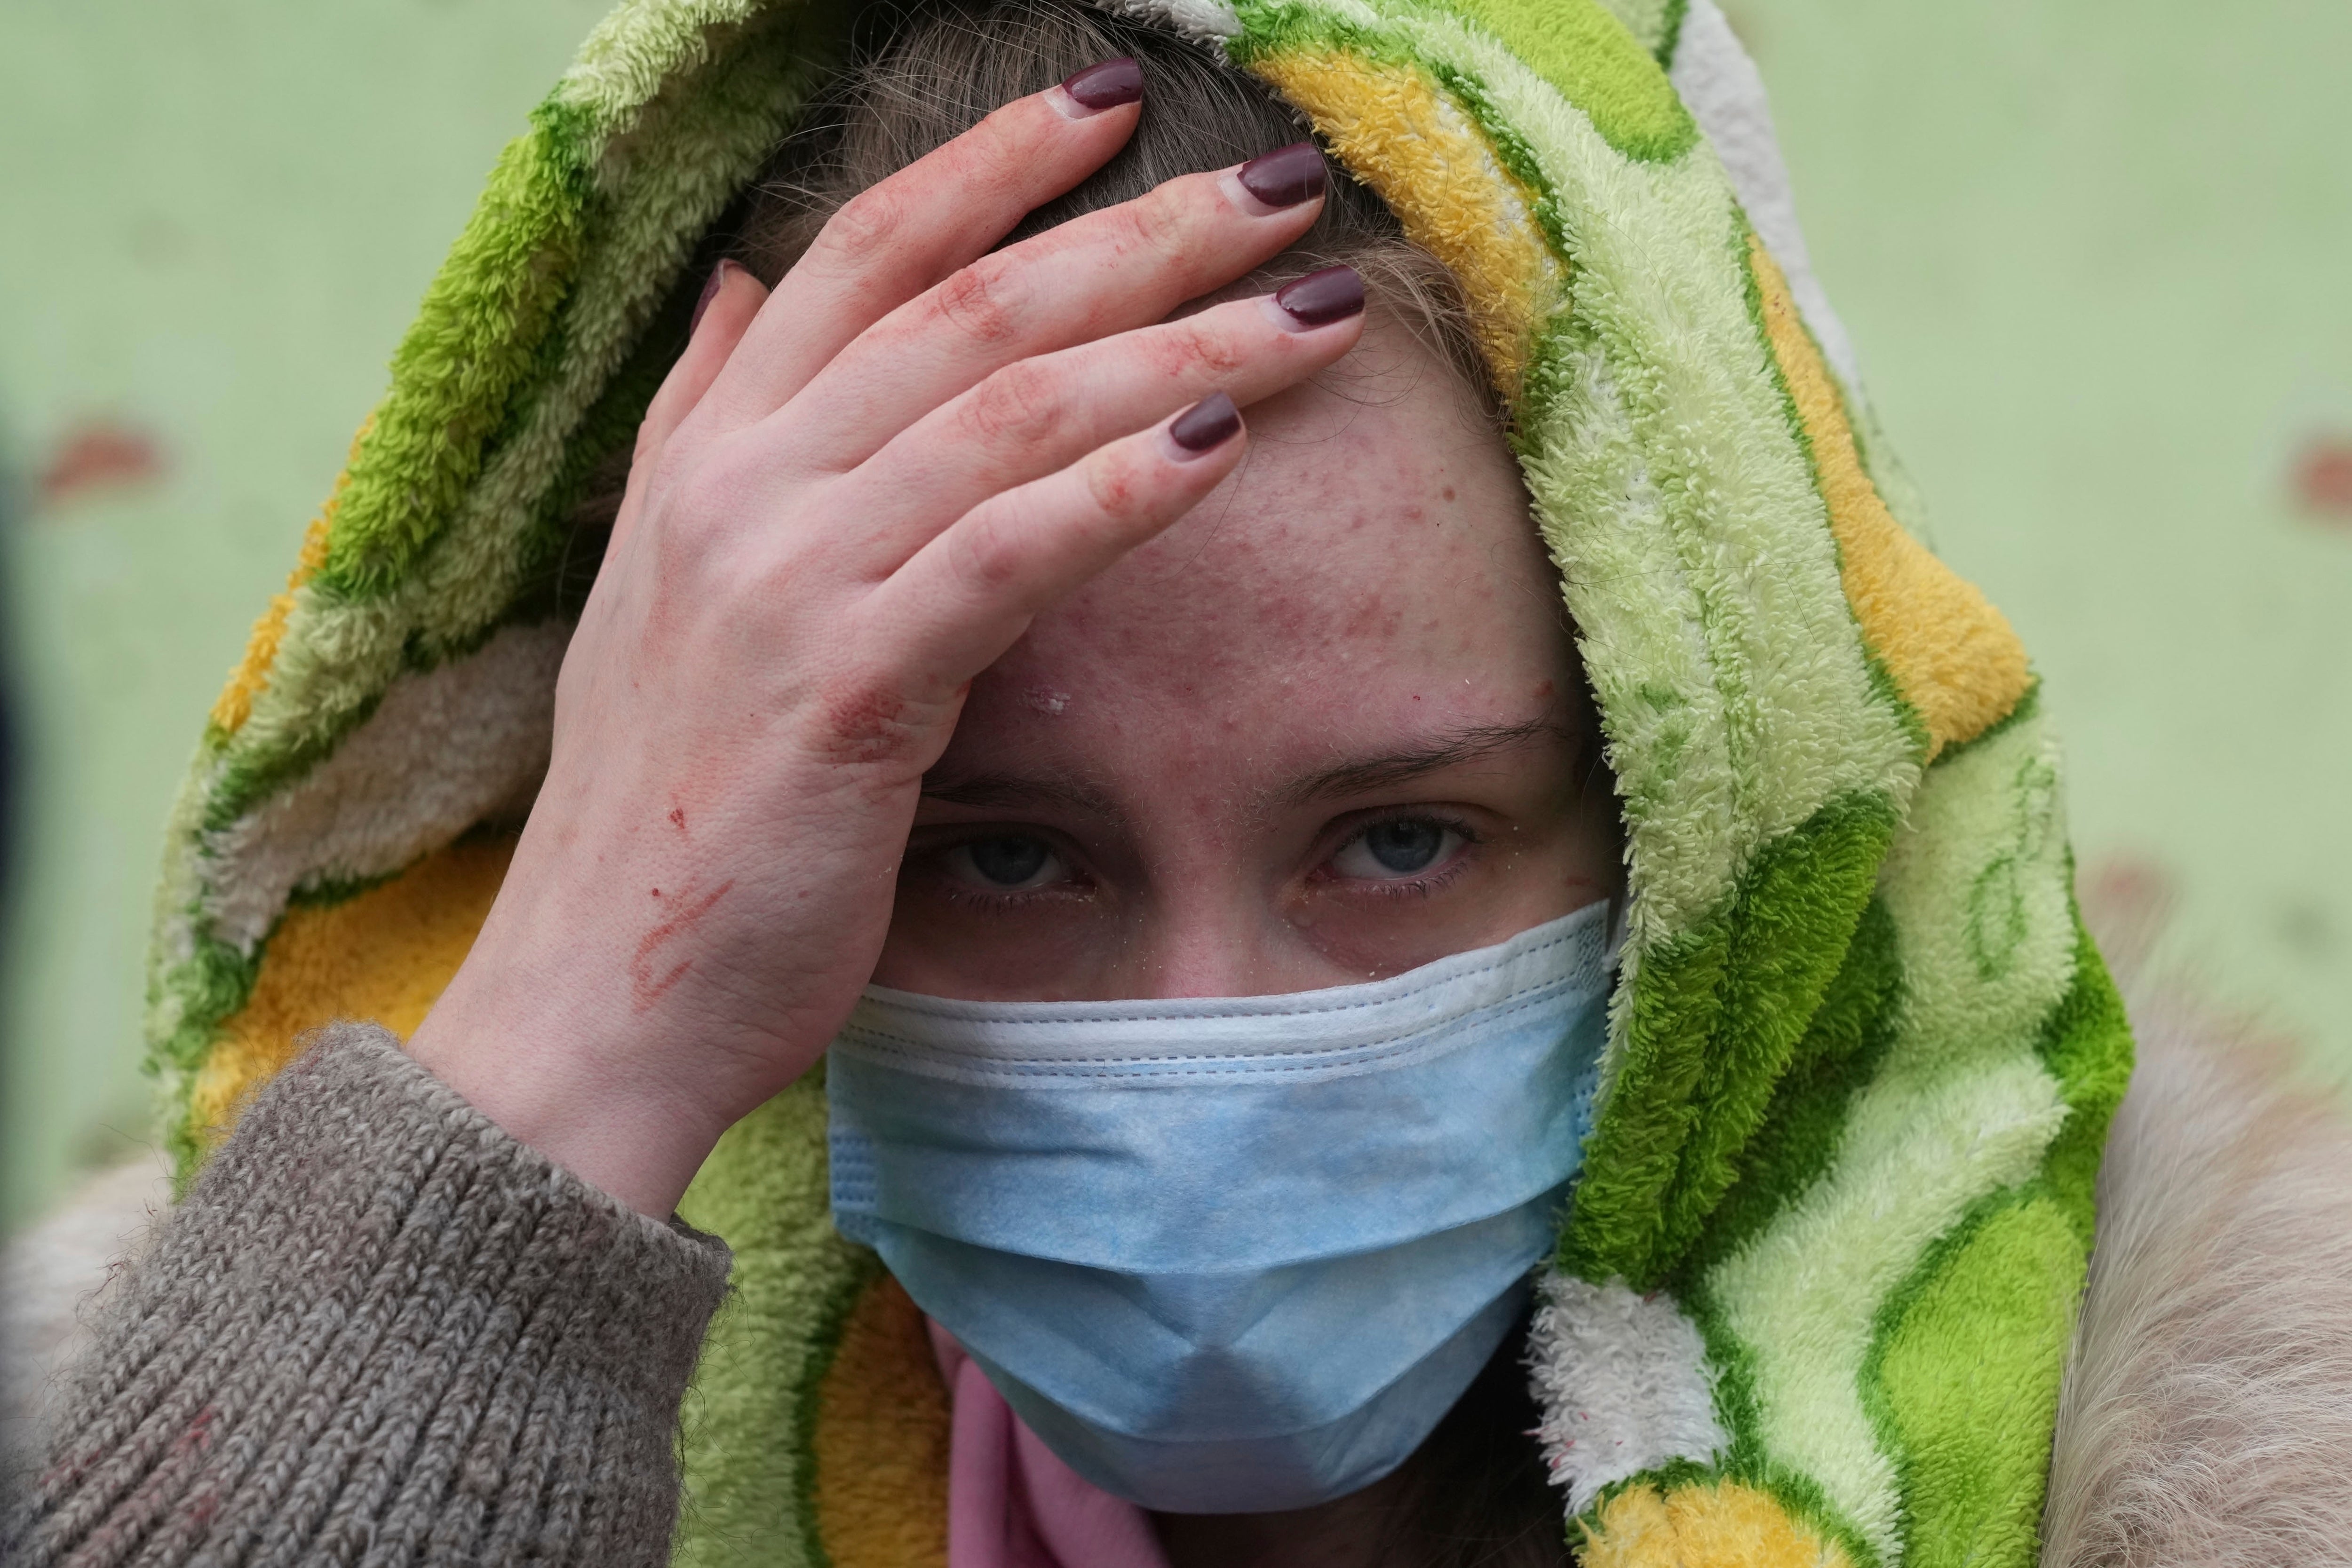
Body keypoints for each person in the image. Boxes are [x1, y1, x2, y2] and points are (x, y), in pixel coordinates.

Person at [7, 0, 2216, 1564]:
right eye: (996, 853)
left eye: (1398, 836)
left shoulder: (2179, 1469)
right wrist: (561, 1053)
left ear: (1699, 815)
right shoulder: (210, 1396)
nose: (1201, 1056)